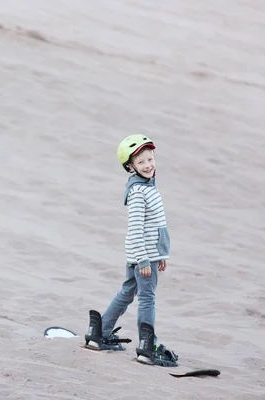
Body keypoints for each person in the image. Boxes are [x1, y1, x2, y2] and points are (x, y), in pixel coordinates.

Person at [84, 134, 178, 367]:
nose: (148, 165)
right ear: (130, 167)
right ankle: (149, 346)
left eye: (150, 159)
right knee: (147, 299)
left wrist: (161, 255)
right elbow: (136, 229)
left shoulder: (147, 186)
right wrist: (145, 260)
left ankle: (100, 331)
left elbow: (156, 225)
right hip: (143, 257)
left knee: (127, 292)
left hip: (148, 255)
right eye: (141, 162)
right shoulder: (139, 192)